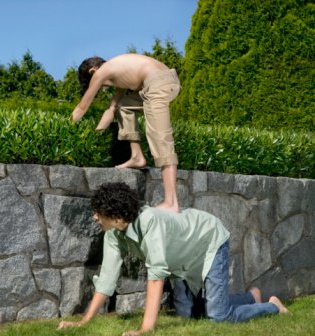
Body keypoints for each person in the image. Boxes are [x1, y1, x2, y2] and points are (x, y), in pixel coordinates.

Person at [58, 182, 289, 336]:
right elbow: (107, 278)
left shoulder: (150, 222)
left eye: (99, 212)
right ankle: (250, 297)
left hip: (208, 241)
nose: (94, 216)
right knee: (187, 315)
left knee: (219, 318)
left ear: (116, 215)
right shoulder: (113, 232)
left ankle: (271, 307)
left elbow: (156, 277)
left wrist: (145, 330)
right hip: (182, 260)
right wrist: (84, 321)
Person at [72, 54, 181, 212]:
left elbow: (82, 108)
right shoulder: (120, 71)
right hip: (163, 80)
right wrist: (96, 135)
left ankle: (172, 203)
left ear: (93, 71)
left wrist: (68, 126)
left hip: (157, 82)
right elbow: (112, 110)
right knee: (124, 107)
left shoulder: (101, 72)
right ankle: (137, 157)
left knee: (160, 138)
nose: (102, 86)